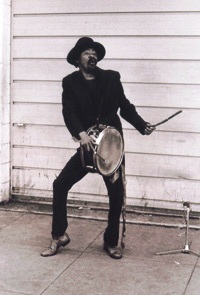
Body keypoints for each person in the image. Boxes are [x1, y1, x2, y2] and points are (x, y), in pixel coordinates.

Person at [41, 37, 155, 259]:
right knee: (60, 184)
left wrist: (142, 125)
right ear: (77, 59)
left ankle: (111, 242)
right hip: (87, 144)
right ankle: (58, 235)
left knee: (116, 193)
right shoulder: (70, 82)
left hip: (111, 147)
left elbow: (125, 107)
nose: (92, 55)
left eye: (94, 52)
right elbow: (69, 112)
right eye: (86, 52)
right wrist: (81, 134)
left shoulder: (111, 78)